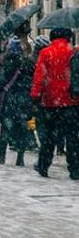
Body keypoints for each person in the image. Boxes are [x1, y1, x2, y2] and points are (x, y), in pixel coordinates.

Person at [30, 27, 79, 179]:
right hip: (72, 101)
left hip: (50, 102)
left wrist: (35, 96)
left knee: (49, 137)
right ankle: (75, 168)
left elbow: (40, 76)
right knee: (72, 137)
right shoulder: (74, 52)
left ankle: (43, 165)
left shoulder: (46, 52)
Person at [0, 39, 33, 166]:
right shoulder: (28, 63)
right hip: (24, 100)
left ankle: (2, 155)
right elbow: (32, 82)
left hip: (8, 100)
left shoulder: (4, 62)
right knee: (22, 129)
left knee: (6, 128)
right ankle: (20, 157)